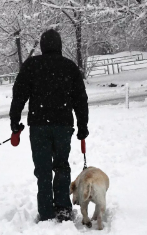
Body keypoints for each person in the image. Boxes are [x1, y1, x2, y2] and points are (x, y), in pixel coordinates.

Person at [9, 28, 89, 223]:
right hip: (63, 125)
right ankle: (63, 208)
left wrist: (15, 122)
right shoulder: (69, 67)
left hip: (38, 126)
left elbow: (19, 95)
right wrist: (82, 126)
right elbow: (80, 99)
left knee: (43, 169)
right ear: (59, 45)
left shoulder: (31, 66)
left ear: (43, 46)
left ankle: (45, 211)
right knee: (61, 166)